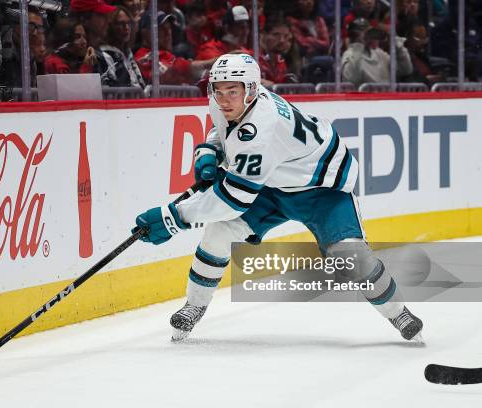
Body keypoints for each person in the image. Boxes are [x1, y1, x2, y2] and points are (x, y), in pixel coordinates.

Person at [132, 53, 424, 343]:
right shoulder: (233, 102)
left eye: (232, 92)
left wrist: (174, 217)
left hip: (321, 189)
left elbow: (231, 200)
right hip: (272, 182)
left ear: (252, 90)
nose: (223, 100)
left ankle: (398, 312)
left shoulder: (262, 129)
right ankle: (193, 305)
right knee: (218, 233)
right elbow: (224, 130)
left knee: (352, 257)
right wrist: (212, 149)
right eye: (218, 90)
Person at [134, 11, 215, 85]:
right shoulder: (143, 57)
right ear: (145, 33)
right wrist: (213, 63)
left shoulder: (168, 55)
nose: (168, 32)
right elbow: (174, 73)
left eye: (169, 28)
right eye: (161, 29)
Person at [341, 18, 412, 88]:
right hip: (367, 98)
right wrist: (359, 45)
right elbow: (351, 81)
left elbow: (405, 69)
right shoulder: (349, 55)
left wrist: (397, 44)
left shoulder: (379, 53)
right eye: (367, 33)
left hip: (387, 97)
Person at [100, 7, 145, 87]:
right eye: (121, 24)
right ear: (110, 26)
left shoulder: (128, 53)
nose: (126, 28)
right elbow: (113, 89)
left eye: (128, 23)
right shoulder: (104, 55)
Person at [259, 19, 303, 85]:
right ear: (264, 35)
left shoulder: (282, 61)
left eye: (285, 36)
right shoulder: (251, 58)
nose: (282, 40)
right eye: (276, 35)